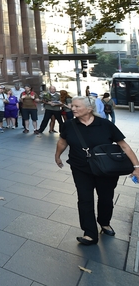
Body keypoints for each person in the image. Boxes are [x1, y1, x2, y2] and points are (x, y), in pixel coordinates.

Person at [55, 96, 139, 245]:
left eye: (76, 106)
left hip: (105, 169)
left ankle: (104, 223)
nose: (72, 109)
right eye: (72, 106)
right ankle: (90, 233)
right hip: (80, 168)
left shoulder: (105, 124)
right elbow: (62, 142)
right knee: (84, 199)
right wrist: (57, 156)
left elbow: (124, 145)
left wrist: (136, 167)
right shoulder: (69, 125)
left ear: (89, 109)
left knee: (106, 198)